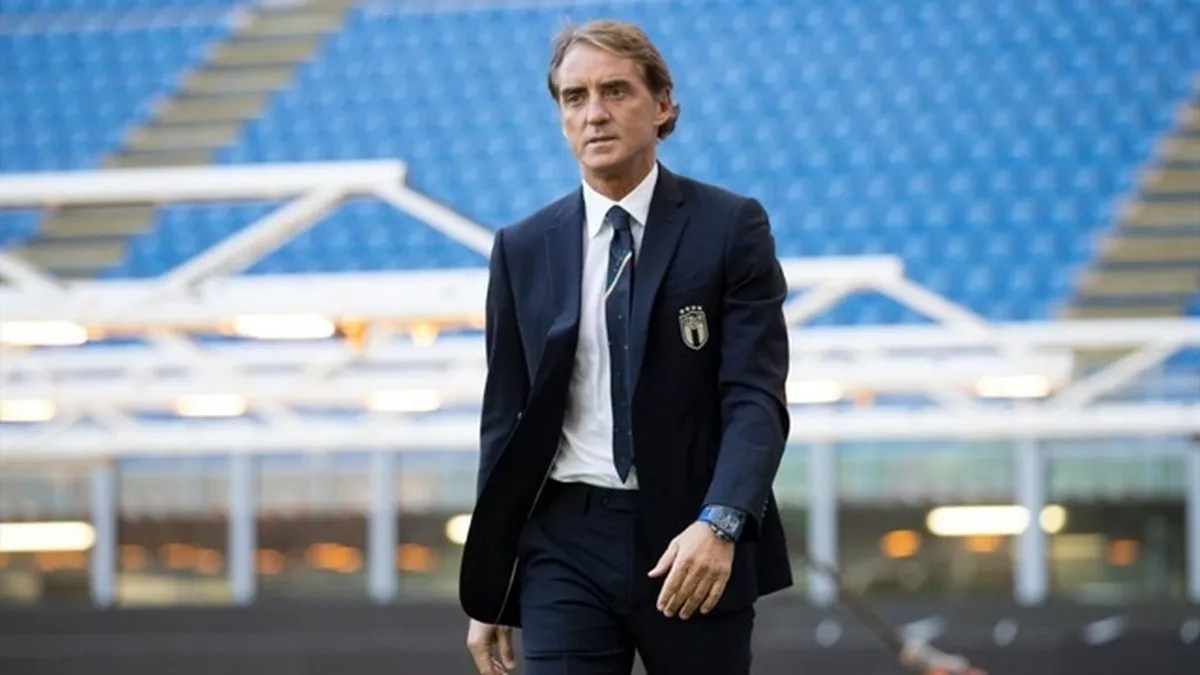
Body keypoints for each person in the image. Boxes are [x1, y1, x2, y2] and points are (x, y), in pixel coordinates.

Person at [458, 17, 793, 675]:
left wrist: (720, 522)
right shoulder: (521, 248)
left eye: (615, 91)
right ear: (560, 117)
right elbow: (505, 422)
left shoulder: (731, 226)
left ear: (662, 104)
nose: (595, 113)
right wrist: (493, 576)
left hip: (691, 538)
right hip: (564, 542)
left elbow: (755, 397)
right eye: (574, 97)